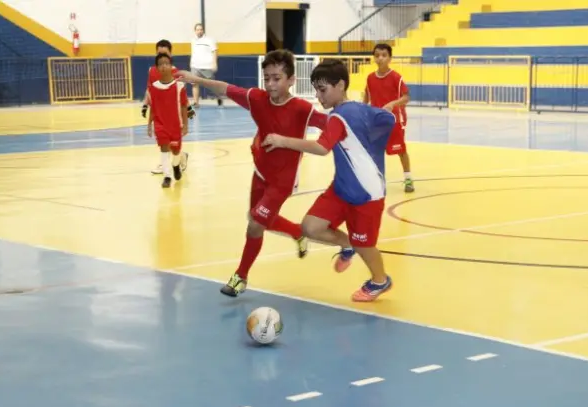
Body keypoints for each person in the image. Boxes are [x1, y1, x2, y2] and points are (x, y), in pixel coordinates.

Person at [176, 49, 328, 297]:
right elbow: (225, 88)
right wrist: (197, 80)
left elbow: (330, 125)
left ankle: (240, 277)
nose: (270, 84)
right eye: (266, 78)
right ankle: (297, 232)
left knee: (256, 225)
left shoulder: (301, 109)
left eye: (277, 78)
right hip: (260, 172)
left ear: (291, 80)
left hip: (283, 181)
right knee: (255, 217)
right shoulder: (257, 99)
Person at [262, 59, 396, 302]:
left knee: (366, 245)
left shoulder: (339, 117)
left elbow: (322, 147)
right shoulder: (360, 109)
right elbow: (388, 119)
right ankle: (348, 244)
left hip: (366, 195)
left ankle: (380, 281)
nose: (319, 96)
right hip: (342, 187)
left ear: (341, 85)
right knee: (311, 227)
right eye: (316, 90)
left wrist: (282, 141)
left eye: (322, 90)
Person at [364, 43, 414, 193]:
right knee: (375, 150)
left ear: (390, 58)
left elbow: (406, 98)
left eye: (384, 55)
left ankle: (408, 178)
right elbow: (366, 97)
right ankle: (378, 179)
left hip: (395, 120)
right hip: (377, 121)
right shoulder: (370, 78)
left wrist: (393, 104)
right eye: (377, 55)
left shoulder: (396, 78)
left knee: (400, 150)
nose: (380, 58)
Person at [143, 39, 193, 175]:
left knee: (171, 141)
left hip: (172, 113)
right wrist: (145, 105)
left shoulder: (176, 73)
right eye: (159, 54)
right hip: (159, 111)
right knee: (162, 139)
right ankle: (177, 158)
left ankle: (176, 158)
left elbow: (181, 95)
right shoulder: (152, 71)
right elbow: (149, 90)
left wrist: (189, 109)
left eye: (165, 54)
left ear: (170, 55)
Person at [189, 23, 222, 108]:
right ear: (195, 31)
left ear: (203, 30)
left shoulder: (209, 40)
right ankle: (196, 102)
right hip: (195, 66)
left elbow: (215, 51)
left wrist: (214, 63)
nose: (199, 31)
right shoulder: (193, 41)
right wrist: (192, 63)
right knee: (194, 84)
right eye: (197, 30)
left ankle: (219, 98)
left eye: (201, 29)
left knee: (213, 86)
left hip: (207, 67)